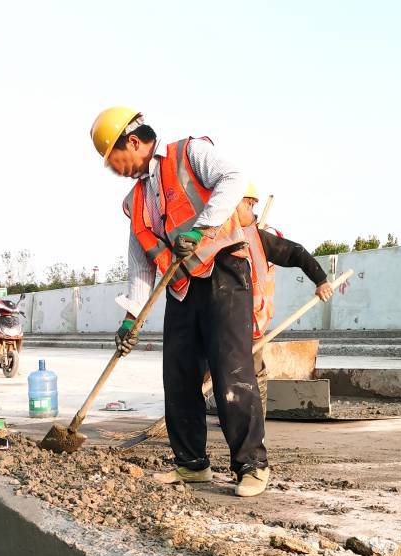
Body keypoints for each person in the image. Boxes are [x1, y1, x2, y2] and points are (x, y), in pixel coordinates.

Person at [91, 107, 268, 497]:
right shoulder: (136, 200)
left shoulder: (188, 154)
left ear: (133, 142)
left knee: (230, 370)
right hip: (183, 284)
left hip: (223, 270)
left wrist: (202, 225)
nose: (114, 170)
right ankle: (192, 465)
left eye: (113, 161)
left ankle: (251, 465)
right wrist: (130, 319)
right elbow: (140, 264)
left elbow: (234, 177)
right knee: (178, 374)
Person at [236, 185, 333, 414]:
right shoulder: (222, 234)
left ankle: (254, 417)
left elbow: (295, 252)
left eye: (234, 203)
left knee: (253, 368)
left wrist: (321, 280)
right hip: (224, 320)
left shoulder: (260, 238)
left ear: (250, 204)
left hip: (252, 321)